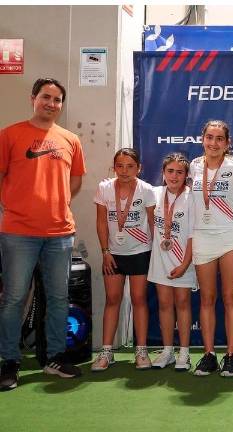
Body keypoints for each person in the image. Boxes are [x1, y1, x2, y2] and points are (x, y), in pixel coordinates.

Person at [0, 78, 86, 391]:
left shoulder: (70, 139)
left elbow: (74, 183)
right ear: (33, 98)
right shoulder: (9, 135)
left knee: (59, 297)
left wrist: (54, 204)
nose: (51, 104)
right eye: (45, 97)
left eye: (57, 99)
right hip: (18, 233)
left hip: (60, 233)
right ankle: (9, 362)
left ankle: (55, 358)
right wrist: (17, 206)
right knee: (13, 299)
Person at [189, 120, 233, 377]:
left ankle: (232, 355)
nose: (213, 143)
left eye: (219, 139)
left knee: (230, 297)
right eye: (209, 137)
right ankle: (209, 354)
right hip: (202, 236)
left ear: (227, 144)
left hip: (230, 237)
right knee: (206, 298)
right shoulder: (193, 166)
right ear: (202, 139)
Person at [92, 148, 155, 371]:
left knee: (139, 299)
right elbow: (101, 223)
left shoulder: (146, 190)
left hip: (139, 251)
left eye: (130, 166)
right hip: (113, 255)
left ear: (139, 168)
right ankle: (106, 351)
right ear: (114, 167)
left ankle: (141, 350)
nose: (124, 171)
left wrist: (157, 255)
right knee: (112, 299)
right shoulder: (104, 188)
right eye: (120, 166)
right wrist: (105, 251)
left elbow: (153, 223)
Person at [147, 153, 196, 371]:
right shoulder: (154, 194)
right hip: (160, 258)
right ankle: (167, 351)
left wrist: (185, 264)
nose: (174, 176)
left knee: (183, 304)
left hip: (184, 259)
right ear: (163, 173)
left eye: (179, 172)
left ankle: (184, 352)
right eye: (170, 171)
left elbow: (194, 234)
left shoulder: (192, 197)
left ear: (186, 175)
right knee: (165, 304)